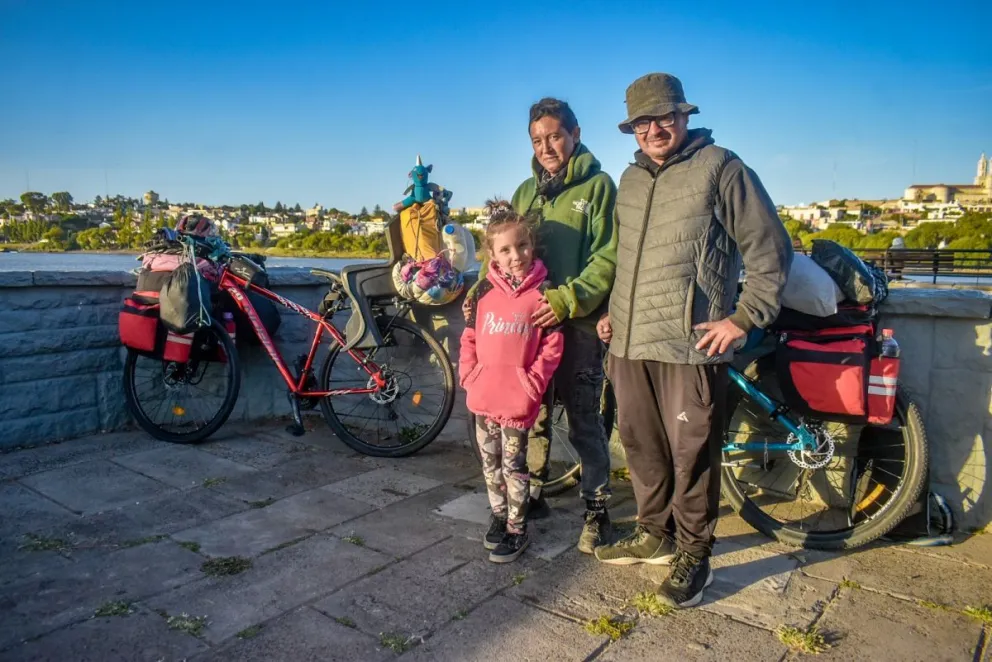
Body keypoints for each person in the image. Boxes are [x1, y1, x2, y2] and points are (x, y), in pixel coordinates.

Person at [594, 73, 793, 608]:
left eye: (665, 117)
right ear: (631, 128)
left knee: (693, 456)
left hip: (690, 344)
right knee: (641, 446)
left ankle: (694, 553)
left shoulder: (722, 168)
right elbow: (624, 259)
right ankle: (655, 533)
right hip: (631, 343)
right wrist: (614, 314)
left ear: (684, 117)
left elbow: (770, 248)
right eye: (643, 121)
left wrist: (744, 317)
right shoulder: (630, 179)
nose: (654, 129)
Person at [465, 98, 619, 554]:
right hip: (524, 332)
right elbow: (499, 251)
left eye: (555, 136)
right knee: (533, 420)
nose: (547, 146)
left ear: (574, 132)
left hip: (579, 327)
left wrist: (567, 300)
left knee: (584, 423)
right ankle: (529, 498)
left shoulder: (599, 188)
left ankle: (597, 512)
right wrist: (478, 294)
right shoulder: (524, 192)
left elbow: (608, 257)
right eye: (538, 139)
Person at [460, 200, 564, 563]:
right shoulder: (482, 295)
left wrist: (532, 383)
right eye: (505, 249)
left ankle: (517, 528)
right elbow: (469, 338)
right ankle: (499, 516)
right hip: (485, 395)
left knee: (514, 466)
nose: (515, 255)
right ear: (492, 255)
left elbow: (552, 344)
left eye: (522, 245)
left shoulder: (543, 294)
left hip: (517, 400)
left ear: (531, 245)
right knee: (489, 464)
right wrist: (469, 375)